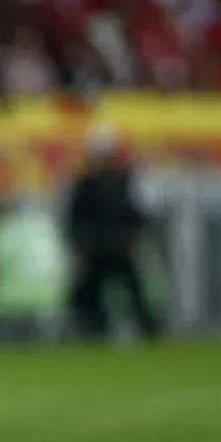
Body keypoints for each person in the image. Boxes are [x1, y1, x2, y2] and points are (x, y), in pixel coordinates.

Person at [66, 124, 159, 339]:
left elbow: (137, 213)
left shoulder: (124, 181)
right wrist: (81, 244)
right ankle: (93, 328)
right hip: (95, 250)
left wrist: (131, 236)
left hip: (120, 247)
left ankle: (148, 327)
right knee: (87, 292)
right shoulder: (85, 184)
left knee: (135, 289)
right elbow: (76, 218)